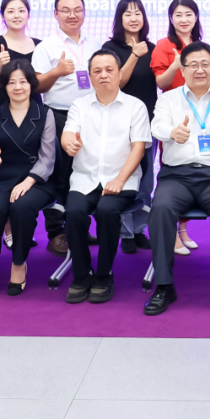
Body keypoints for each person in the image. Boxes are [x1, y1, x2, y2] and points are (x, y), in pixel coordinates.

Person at [145, 42, 210, 316]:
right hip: (176, 177)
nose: (199, 70)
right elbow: (156, 126)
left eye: (205, 64)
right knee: (161, 208)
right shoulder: (168, 99)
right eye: (193, 64)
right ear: (183, 69)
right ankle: (164, 286)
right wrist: (171, 133)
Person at [62, 50, 151, 304]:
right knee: (74, 213)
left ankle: (104, 274)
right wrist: (68, 143)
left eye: (109, 70)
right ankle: (82, 275)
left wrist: (120, 180)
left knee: (107, 211)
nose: (103, 75)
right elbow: (68, 133)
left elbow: (138, 149)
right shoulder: (80, 105)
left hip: (122, 179)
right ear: (90, 76)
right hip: (85, 178)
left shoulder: (136, 106)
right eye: (97, 71)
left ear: (120, 74)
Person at [0, 59, 57, 296]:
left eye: (23, 81)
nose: (18, 87)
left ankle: (19, 262)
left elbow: (48, 158)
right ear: (5, 86)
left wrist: (29, 180)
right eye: (12, 82)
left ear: (31, 84)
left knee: (22, 207)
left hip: (36, 178)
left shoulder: (45, 114)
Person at [31, 0, 94, 258]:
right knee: (58, 175)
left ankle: (77, 227)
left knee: (85, 172)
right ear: (55, 14)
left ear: (84, 12)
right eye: (65, 10)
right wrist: (56, 71)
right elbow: (36, 86)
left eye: (77, 9)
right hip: (58, 116)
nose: (72, 15)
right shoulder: (46, 47)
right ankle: (56, 233)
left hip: (90, 117)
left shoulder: (94, 44)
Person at [102, 0, 157, 255]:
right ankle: (124, 232)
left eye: (138, 13)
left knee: (146, 179)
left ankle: (138, 229)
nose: (134, 18)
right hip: (118, 123)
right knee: (122, 176)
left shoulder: (153, 48)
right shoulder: (110, 48)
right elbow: (117, 82)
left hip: (148, 122)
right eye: (128, 13)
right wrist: (134, 55)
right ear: (119, 18)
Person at [149, 0, 203, 253]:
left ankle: (182, 229)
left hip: (200, 112)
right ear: (171, 18)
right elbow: (161, 82)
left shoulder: (199, 45)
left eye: (189, 14)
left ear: (196, 17)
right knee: (172, 170)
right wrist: (175, 64)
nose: (184, 19)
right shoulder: (164, 45)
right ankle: (171, 234)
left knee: (192, 167)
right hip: (173, 113)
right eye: (178, 15)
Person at [0, 0, 43, 110]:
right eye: (10, 11)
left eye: (21, 11)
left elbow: (42, 82)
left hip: (35, 110)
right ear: (2, 16)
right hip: (2, 110)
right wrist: (0, 64)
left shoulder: (40, 45)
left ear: (28, 15)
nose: (16, 16)